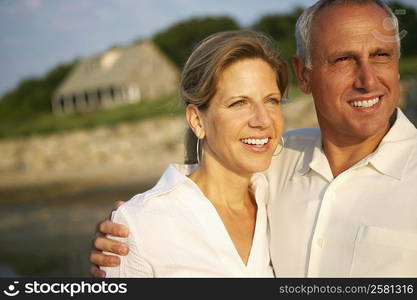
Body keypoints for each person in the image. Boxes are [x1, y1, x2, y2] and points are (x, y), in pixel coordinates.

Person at [91, 0, 417, 278]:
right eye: (343, 59)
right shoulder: (276, 163)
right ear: (304, 74)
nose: (367, 79)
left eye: (381, 56)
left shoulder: (266, 170)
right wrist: (133, 227)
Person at [96, 30, 289, 277]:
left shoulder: (280, 194)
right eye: (239, 103)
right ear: (197, 120)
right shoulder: (141, 222)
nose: (263, 120)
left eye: (271, 100)